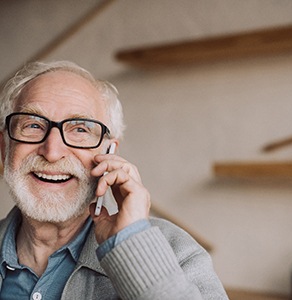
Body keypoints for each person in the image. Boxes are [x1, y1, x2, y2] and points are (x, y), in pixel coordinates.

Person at [0, 60, 228, 300]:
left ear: (109, 153)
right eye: (33, 125)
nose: (53, 152)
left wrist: (133, 249)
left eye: (80, 130)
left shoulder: (177, 252)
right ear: (5, 148)